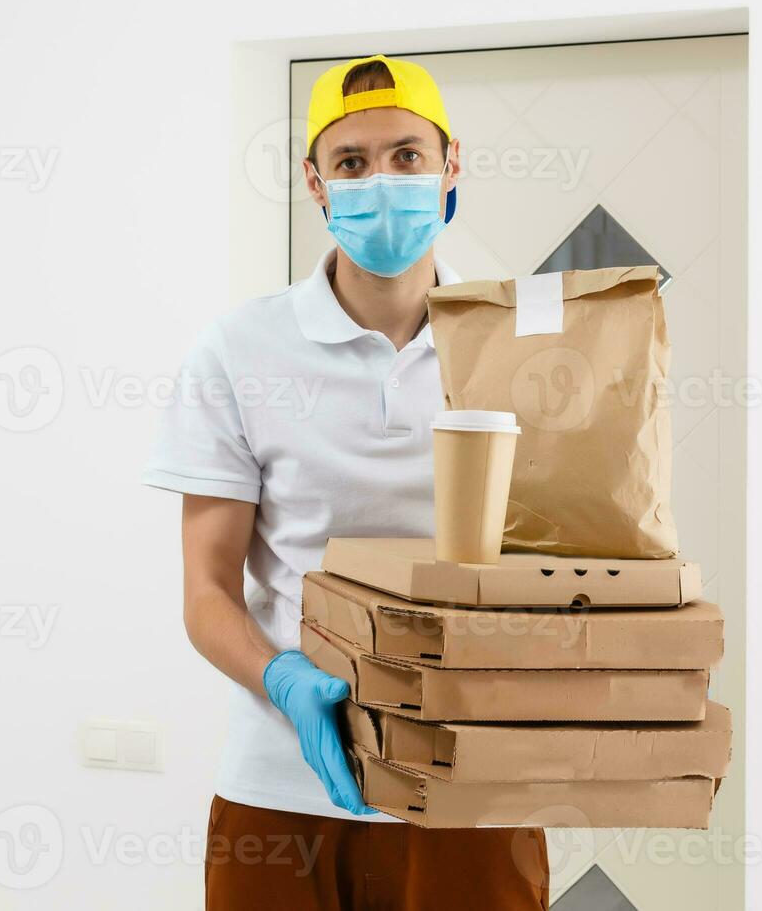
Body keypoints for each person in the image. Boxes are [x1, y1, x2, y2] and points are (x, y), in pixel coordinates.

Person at [143, 55, 549, 909]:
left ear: (451, 165)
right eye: (353, 162)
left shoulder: (521, 348)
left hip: (469, 788)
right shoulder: (239, 351)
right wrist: (283, 681)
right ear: (315, 183)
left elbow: (572, 559)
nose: (382, 182)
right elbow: (207, 590)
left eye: (407, 155)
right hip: (283, 792)